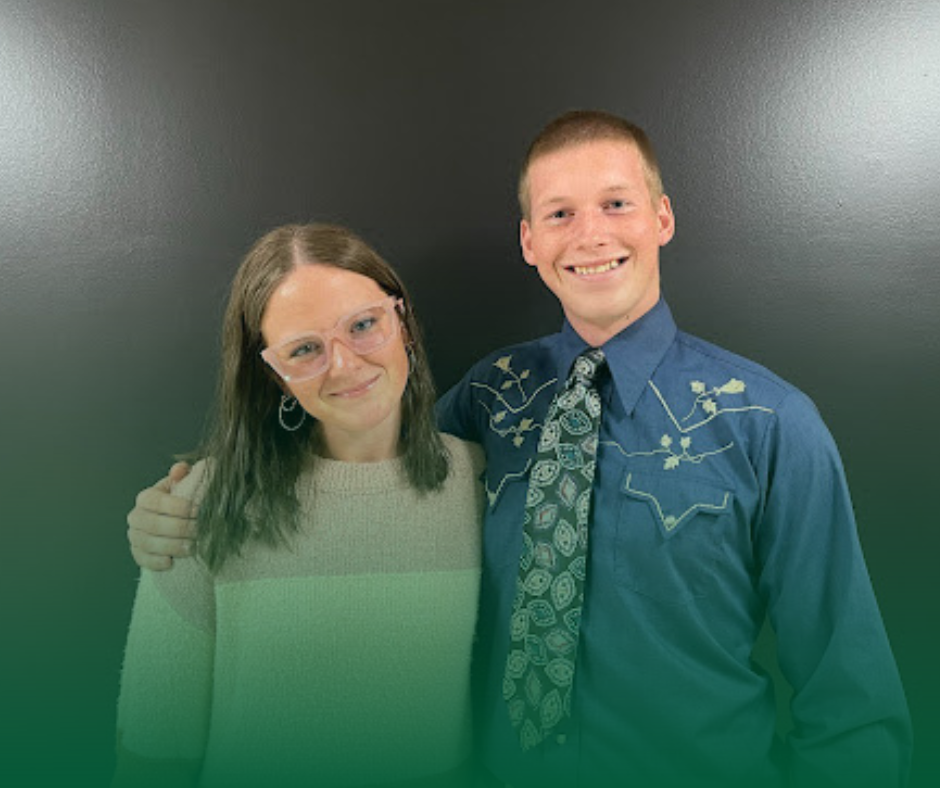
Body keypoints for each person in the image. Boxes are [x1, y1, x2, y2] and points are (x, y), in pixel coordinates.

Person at [126, 112, 912, 787]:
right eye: (561, 214)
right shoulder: (489, 400)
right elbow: (370, 470)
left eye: (615, 203)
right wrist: (172, 514)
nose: (592, 233)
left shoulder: (770, 423)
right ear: (530, 241)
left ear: (662, 218)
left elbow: (850, 698)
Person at [113, 223, 484, 788]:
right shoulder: (201, 504)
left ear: (401, 323)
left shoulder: (484, 484)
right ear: (277, 378)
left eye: (364, 325)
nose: (344, 365)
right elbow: (152, 748)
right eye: (305, 349)